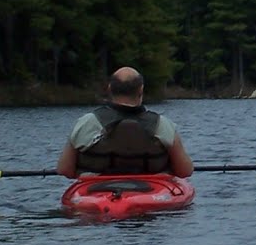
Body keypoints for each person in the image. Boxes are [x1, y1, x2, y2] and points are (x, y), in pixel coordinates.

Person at [57, 66, 195, 178]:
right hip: (150, 191)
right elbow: (185, 171)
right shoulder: (161, 124)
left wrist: (85, 175)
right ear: (141, 89)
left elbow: (64, 170)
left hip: (96, 191)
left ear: (110, 89)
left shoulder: (86, 122)